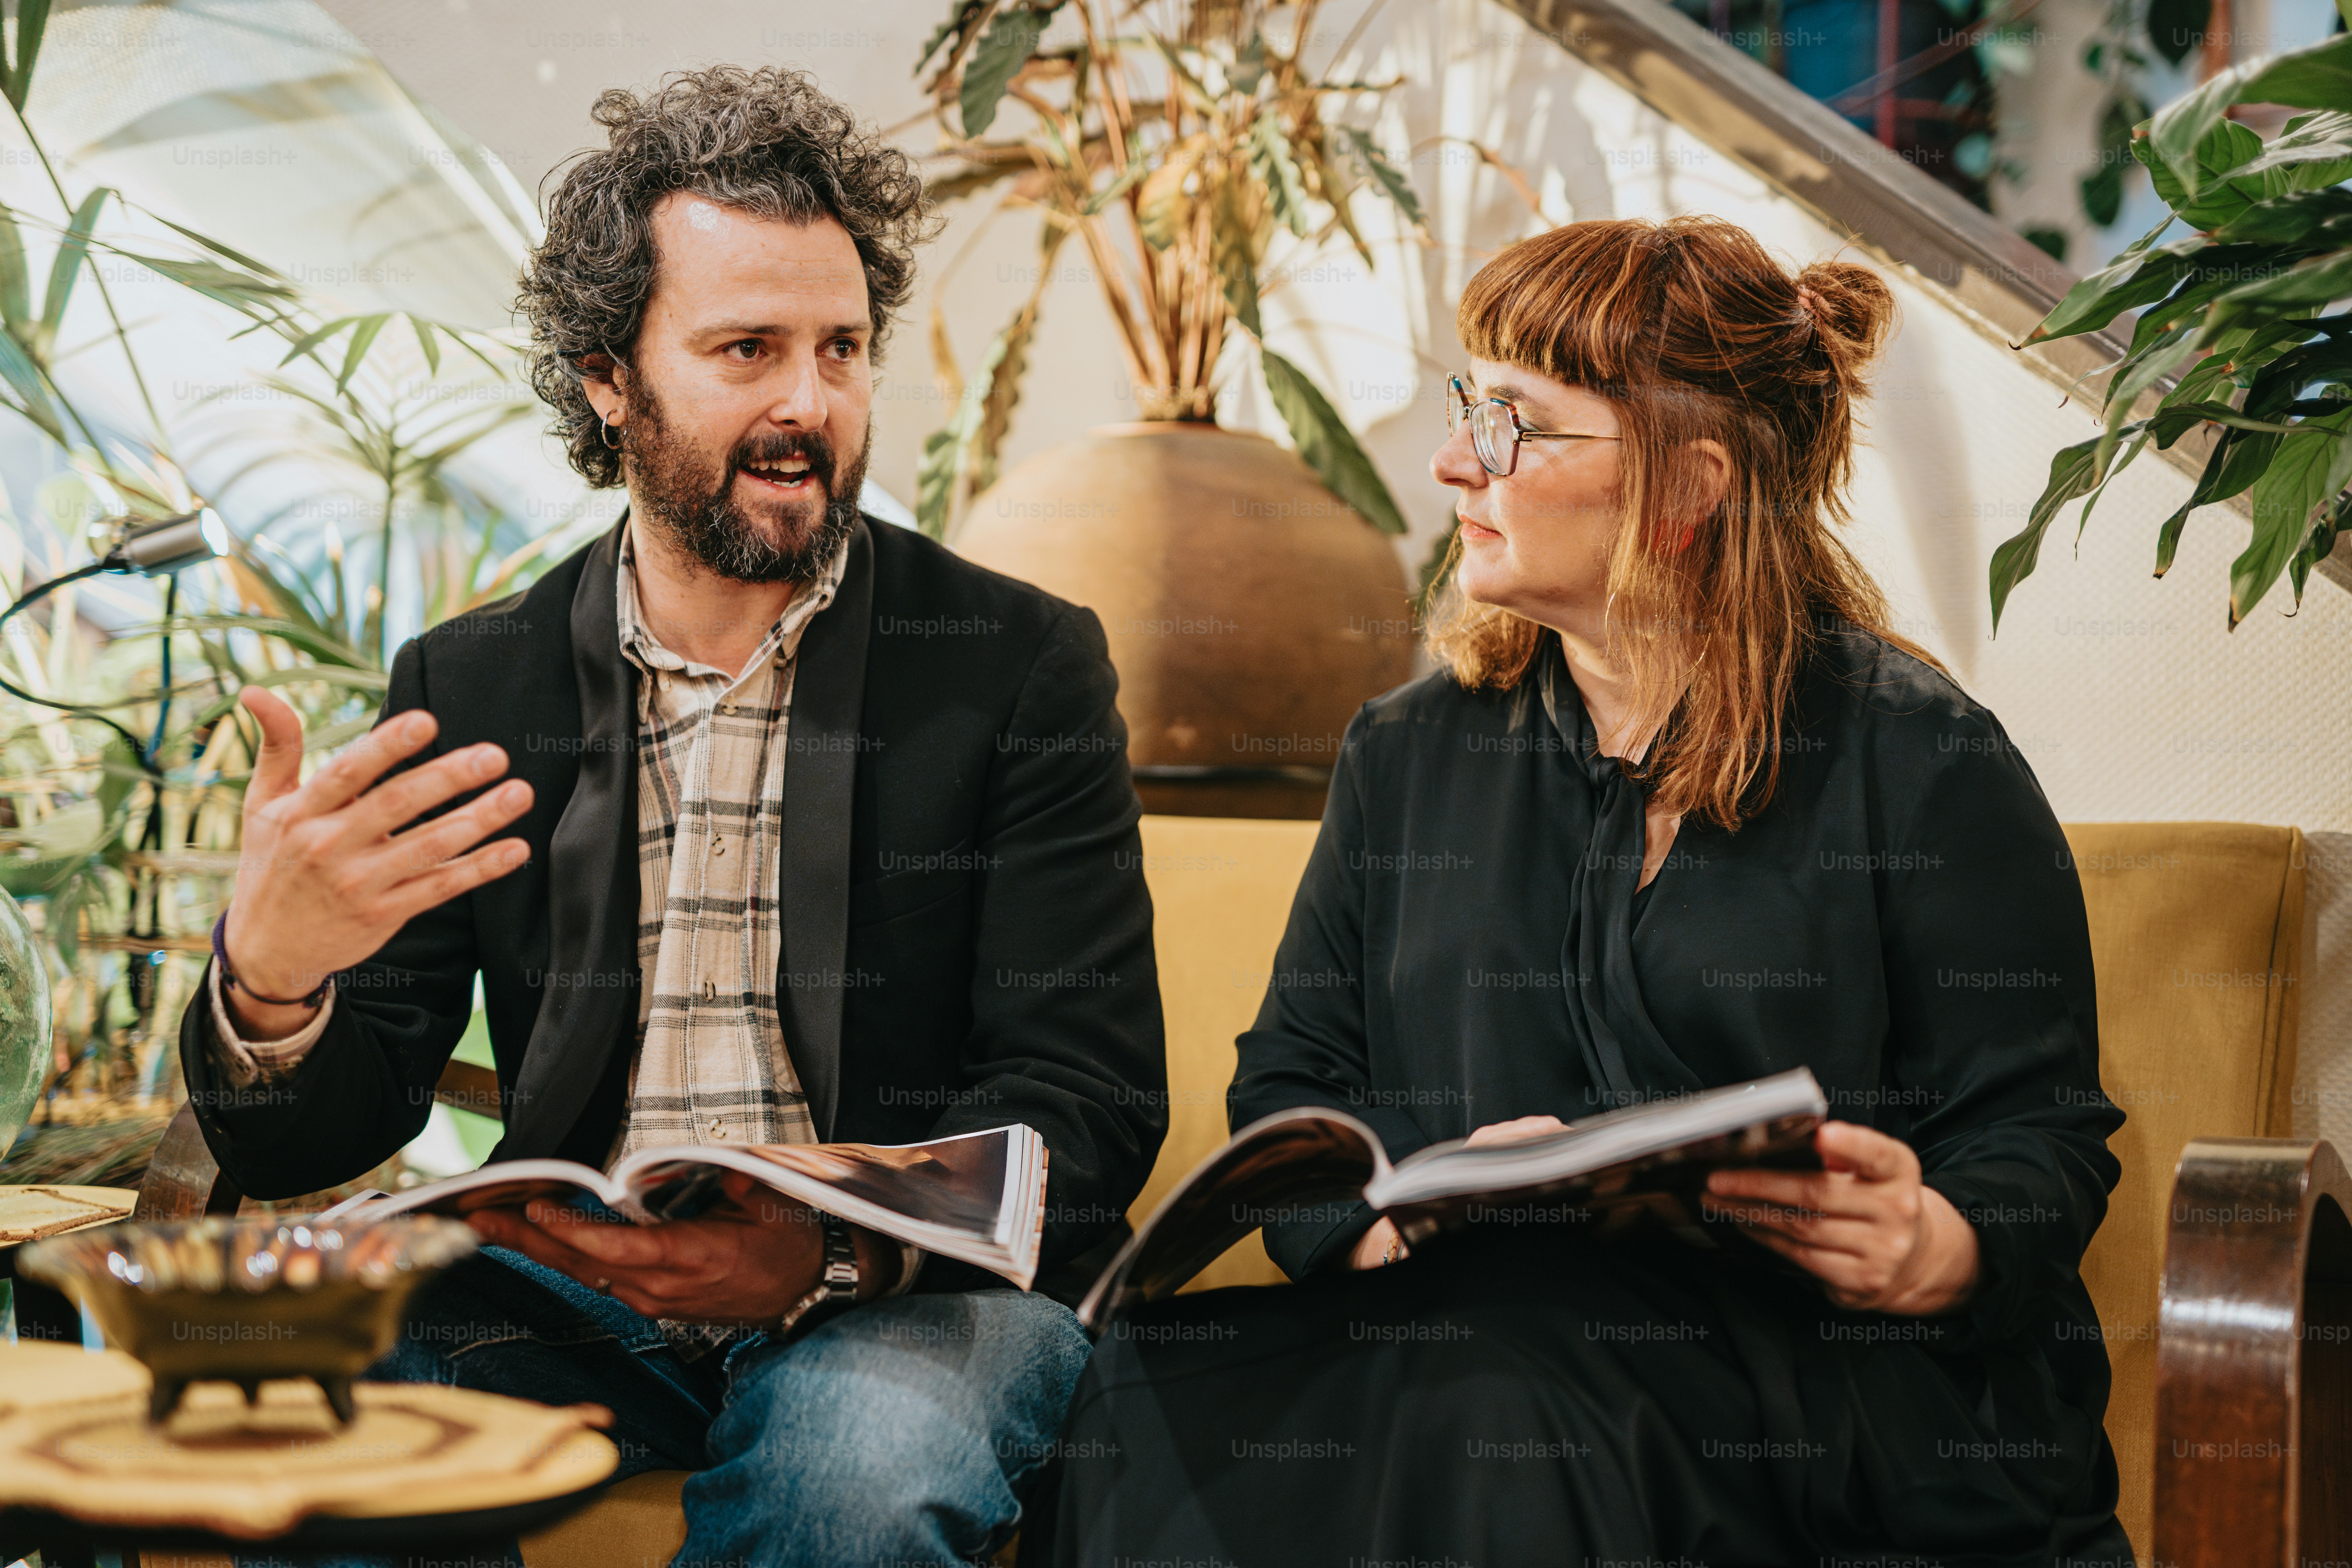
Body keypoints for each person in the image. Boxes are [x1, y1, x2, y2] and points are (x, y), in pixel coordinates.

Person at [176, 65, 1167, 1568]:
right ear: (606, 378)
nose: (810, 402)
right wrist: (274, 977)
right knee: (293, 1403)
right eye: (746, 349)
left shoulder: (1017, 665)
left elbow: (1089, 1100)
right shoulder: (475, 679)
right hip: (570, 1299)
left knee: (854, 1489)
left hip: (903, 1302)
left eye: (843, 349)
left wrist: (825, 1243)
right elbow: (335, 1117)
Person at [1041, 215, 2132, 1568]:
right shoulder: (1409, 751)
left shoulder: (1919, 760)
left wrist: (1938, 1239)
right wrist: (1391, 1217)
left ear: (1691, 485)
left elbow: (2040, 1131)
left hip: (1830, 1388)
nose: (1453, 463)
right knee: (1139, 1384)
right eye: (1467, 408)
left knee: (1509, 1397)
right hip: (1472, 1335)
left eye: (1514, 424)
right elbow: (1293, 1084)